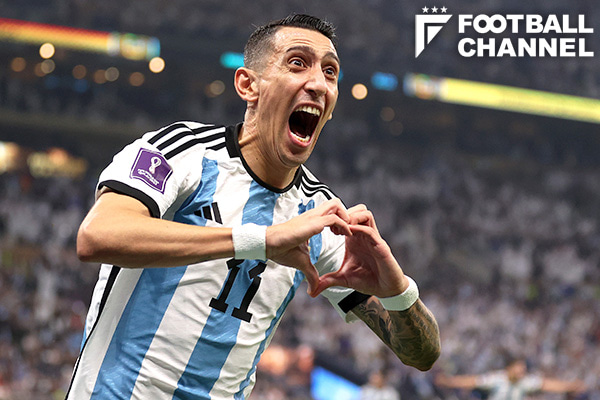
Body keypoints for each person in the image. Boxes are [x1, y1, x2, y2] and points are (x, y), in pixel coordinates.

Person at [66, 14, 441, 400]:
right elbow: (98, 236)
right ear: (248, 85)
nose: (318, 83)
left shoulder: (322, 215)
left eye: (330, 72)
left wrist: (397, 291)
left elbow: (422, 355)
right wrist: (261, 240)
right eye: (298, 63)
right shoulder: (185, 152)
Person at [435, 357, 587, 400]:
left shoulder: (525, 382)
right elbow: (472, 381)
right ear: (509, 368)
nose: (521, 372)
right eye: (518, 369)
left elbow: (547, 384)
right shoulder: (497, 378)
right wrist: (449, 381)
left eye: (523, 370)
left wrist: (569, 386)